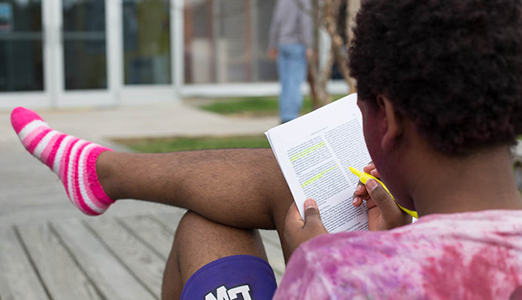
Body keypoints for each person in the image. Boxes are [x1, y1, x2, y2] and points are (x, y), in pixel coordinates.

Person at [10, 0, 522, 298]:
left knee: (207, 223)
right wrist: (404, 236)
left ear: (385, 119)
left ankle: (98, 174)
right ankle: (100, 174)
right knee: (227, 208)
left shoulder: (339, 278)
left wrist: (314, 263)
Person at [268, 0, 313, 123]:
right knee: (294, 83)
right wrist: (308, 45)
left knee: (286, 84)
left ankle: (284, 116)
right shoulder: (303, 2)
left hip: (282, 45)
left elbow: (275, 23)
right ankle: (290, 118)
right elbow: (305, 23)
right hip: (297, 46)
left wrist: (272, 44)